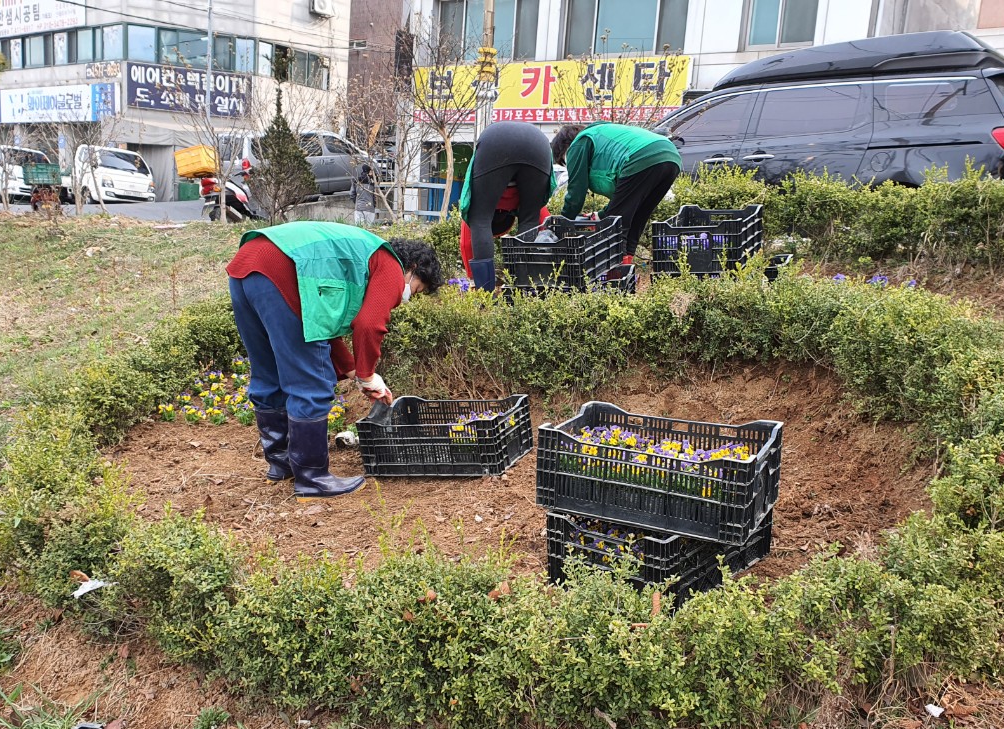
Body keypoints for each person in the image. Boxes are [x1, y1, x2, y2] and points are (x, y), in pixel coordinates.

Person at [226, 222, 442, 497]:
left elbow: (323, 326)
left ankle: (281, 465)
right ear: (411, 268)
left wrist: (354, 372)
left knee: (268, 373)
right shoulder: (390, 264)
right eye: (417, 288)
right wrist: (368, 374)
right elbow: (369, 324)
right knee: (311, 383)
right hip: (281, 270)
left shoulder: (357, 260)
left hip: (247, 265)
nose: (409, 296)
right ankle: (312, 478)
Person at [550, 122, 682, 265]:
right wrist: (600, 214)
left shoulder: (579, 143)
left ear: (565, 148)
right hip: (670, 155)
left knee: (614, 225)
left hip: (641, 156)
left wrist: (562, 222)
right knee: (638, 216)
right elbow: (625, 198)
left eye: (565, 161)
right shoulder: (602, 135)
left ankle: (618, 273)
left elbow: (576, 192)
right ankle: (627, 268)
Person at [459, 121, 556, 291]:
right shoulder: (520, 203)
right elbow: (546, 221)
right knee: (529, 220)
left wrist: (473, 279)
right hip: (539, 143)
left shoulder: (477, 210)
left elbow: (467, 245)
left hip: (497, 141)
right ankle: (523, 288)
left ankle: (485, 294)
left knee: (480, 220)